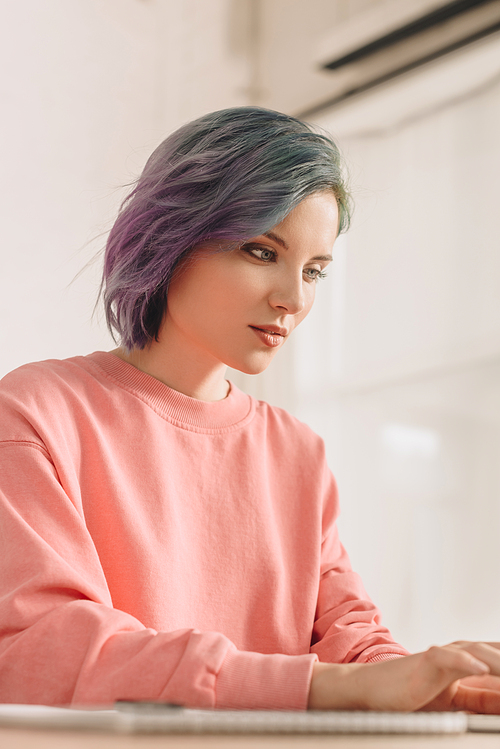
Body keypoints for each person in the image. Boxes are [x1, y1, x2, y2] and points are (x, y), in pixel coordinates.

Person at [1, 106, 500, 713]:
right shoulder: (34, 415)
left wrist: (440, 685)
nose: (293, 298)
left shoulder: (296, 451)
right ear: (170, 236)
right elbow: (41, 652)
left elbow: (349, 636)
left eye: (314, 271)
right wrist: (327, 688)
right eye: (263, 252)